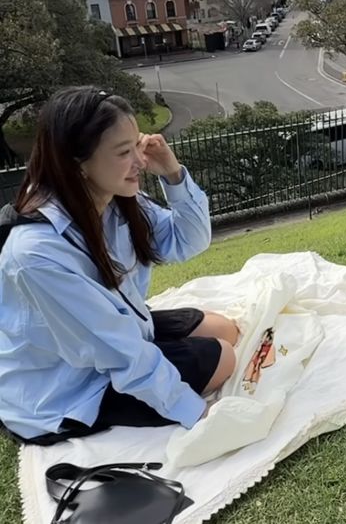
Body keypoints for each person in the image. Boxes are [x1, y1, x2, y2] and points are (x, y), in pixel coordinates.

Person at [0, 86, 239, 444]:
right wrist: (196, 413)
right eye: (124, 152)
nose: (140, 162)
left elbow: (188, 241)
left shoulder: (111, 200)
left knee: (226, 329)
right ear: (78, 162)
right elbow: (119, 353)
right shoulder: (35, 254)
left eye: (136, 146)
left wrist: (172, 174)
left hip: (114, 334)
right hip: (65, 388)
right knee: (224, 358)